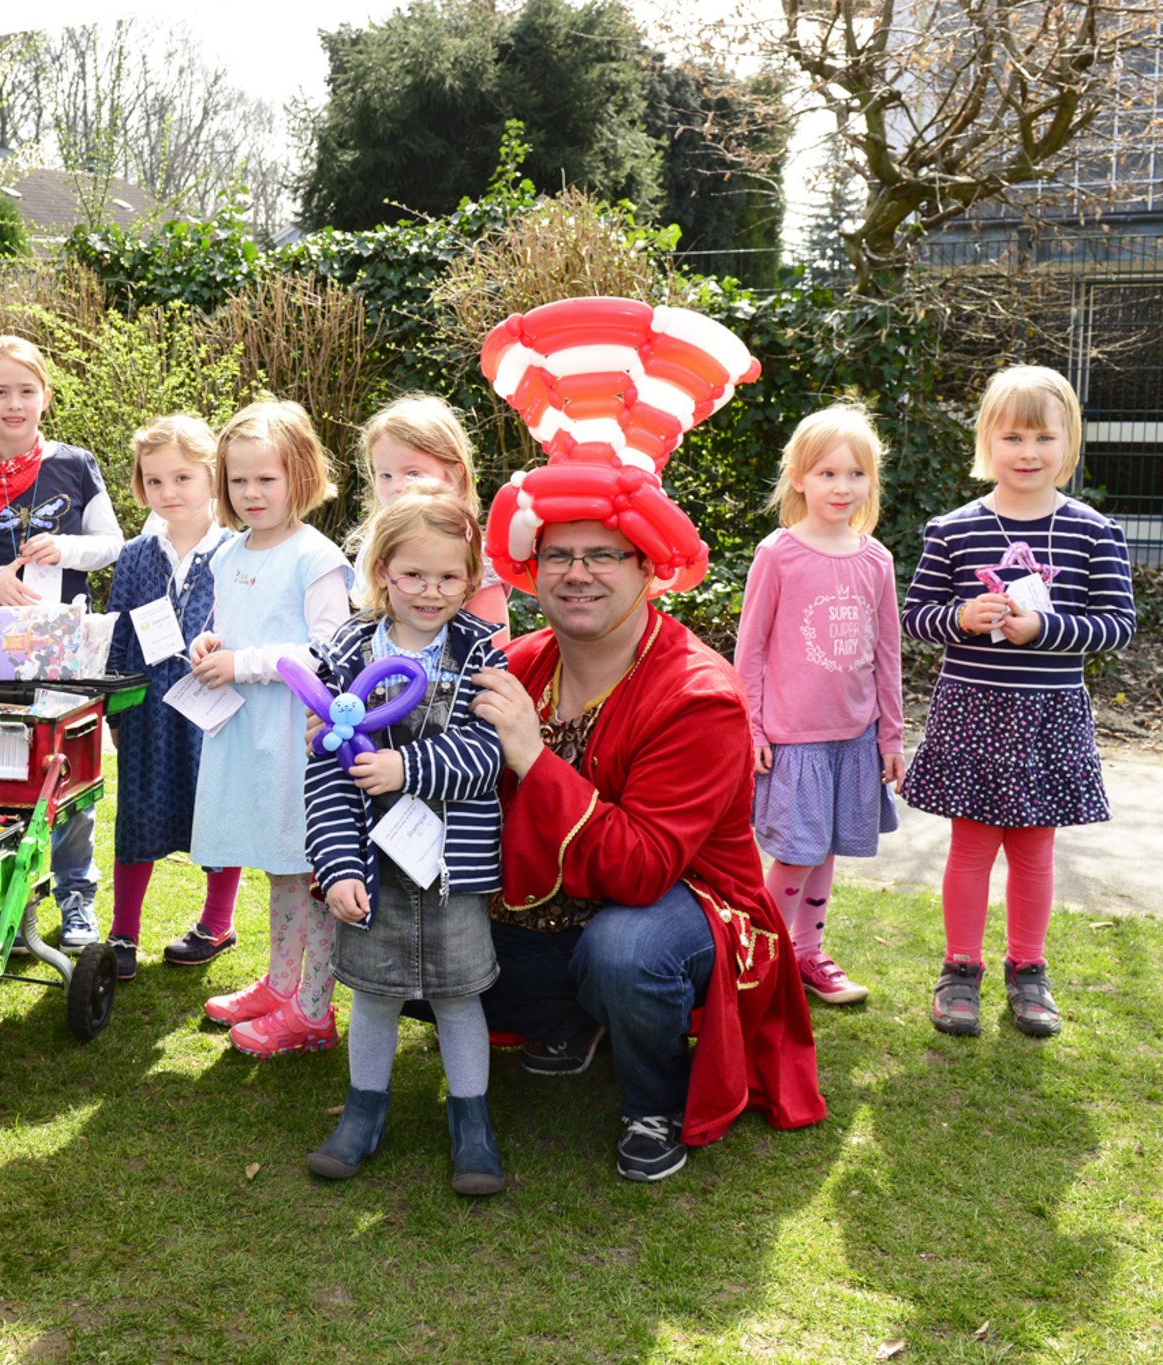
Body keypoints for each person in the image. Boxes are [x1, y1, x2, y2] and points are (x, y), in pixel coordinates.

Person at [470, 441, 825, 1182]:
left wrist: (534, 756)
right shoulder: (519, 665)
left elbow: (639, 871)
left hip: (685, 903)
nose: (577, 573)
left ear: (647, 568)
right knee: (409, 930)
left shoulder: (699, 696)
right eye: (557, 555)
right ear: (533, 570)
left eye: (603, 554)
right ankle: (579, 1018)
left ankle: (653, 1099)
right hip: (558, 895)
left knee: (625, 951)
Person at [900, 365, 1136, 1039]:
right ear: (987, 441)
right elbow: (915, 616)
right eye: (1012, 437)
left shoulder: (1094, 532)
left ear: (1069, 443)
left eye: (1043, 437)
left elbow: (1118, 625)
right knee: (971, 847)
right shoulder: (953, 530)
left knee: (1034, 850)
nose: (1028, 452)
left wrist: (1045, 629)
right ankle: (960, 969)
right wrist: (961, 617)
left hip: (1048, 716)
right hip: (972, 709)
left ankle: (1028, 969)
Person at [302, 491, 508, 1194]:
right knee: (374, 993)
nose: (431, 591)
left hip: (453, 869)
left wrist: (405, 767)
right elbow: (326, 770)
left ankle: (472, 1120)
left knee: (458, 996)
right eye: (414, 574)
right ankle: (365, 1110)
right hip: (372, 865)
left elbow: (487, 755)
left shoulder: (480, 651)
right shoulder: (347, 651)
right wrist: (337, 867)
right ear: (383, 569)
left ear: (471, 578)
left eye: (449, 576)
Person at [0, 335, 122, 949]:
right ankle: (13, 903)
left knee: (71, 772)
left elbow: (113, 544)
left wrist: (66, 548)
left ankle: (76, 897)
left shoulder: (76, 463)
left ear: (46, 396)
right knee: (0, 770)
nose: (14, 404)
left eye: (26, 391)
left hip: (66, 649)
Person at [188, 399, 351, 1058]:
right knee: (278, 863)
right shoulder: (228, 552)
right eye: (238, 480)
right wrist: (211, 644)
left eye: (266, 478)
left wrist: (243, 663)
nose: (251, 493)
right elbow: (234, 625)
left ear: (300, 476)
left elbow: (327, 651)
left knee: (310, 867)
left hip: (294, 734)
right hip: (245, 731)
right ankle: (281, 984)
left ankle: (313, 1007)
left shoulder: (316, 556)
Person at [734, 405, 905, 1006]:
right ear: (799, 477)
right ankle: (761, 957)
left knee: (827, 849)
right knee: (795, 854)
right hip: (794, 739)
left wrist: (891, 737)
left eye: (856, 474)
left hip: (854, 739)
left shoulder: (876, 559)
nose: (842, 487)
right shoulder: (778, 554)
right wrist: (752, 727)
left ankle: (807, 953)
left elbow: (887, 653)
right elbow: (751, 649)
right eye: (827, 473)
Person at [102, 416, 239, 980]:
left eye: (182, 478)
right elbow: (118, 634)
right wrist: (115, 710)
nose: (168, 492)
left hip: (214, 708)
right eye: (154, 481)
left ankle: (217, 923)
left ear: (212, 477)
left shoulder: (236, 552)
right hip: (147, 709)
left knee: (217, 810)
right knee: (137, 812)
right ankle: (123, 931)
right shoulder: (136, 554)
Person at [352, 394, 510, 642]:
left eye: (413, 473)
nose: (396, 487)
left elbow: (495, 647)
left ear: (453, 476)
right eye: (385, 475)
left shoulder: (471, 554)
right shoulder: (372, 551)